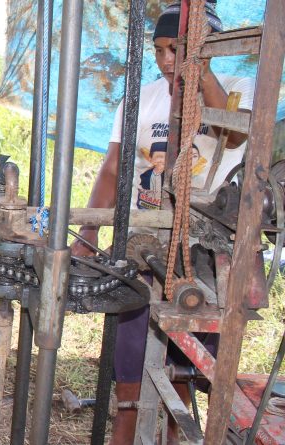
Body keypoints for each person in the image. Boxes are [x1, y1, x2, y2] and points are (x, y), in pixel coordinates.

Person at [70, 3, 254, 444]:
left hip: (204, 256)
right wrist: (90, 231)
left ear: (205, 50)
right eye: (160, 50)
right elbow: (114, 168)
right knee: (130, 373)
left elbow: (235, 135)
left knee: (183, 377)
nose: (167, 60)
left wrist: (199, 74)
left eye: (177, 49)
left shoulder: (235, 89)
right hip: (144, 245)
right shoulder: (141, 98)